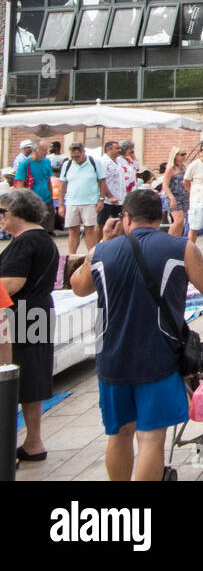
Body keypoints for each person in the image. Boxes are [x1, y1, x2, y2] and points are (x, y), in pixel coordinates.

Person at [68, 189, 203, 480]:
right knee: (152, 438)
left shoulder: (103, 251)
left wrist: (103, 241)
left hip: (112, 358)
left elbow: (77, 286)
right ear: (162, 216)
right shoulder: (181, 248)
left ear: (126, 217)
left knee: (118, 434)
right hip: (159, 357)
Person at [1, 189, 60, 464]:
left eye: (4, 212)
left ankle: (10, 446)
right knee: (32, 378)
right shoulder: (43, 239)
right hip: (37, 311)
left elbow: (10, 285)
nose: (1, 217)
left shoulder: (26, 242)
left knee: (11, 379)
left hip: (20, 316)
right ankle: (33, 441)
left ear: (19, 213)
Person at [58, 142, 112, 254]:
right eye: (73, 157)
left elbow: (102, 181)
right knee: (73, 230)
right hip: (72, 202)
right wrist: (61, 205)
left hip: (90, 202)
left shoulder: (95, 163)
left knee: (90, 229)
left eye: (77, 156)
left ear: (83, 152)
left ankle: (91, 255)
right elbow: (62, 186)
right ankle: (71, 255)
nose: (75, 159)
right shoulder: (67, 165)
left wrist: (101, 200)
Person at [16, 140, 55, 231]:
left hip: (47, 200)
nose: (46, 152)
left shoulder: (46, 162)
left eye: (47, 150)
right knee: (33, 229)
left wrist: (51, 197)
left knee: (46, 229)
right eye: (44, 150)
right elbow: (20, 185)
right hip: (32, 202)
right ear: (36, 150)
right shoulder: (25, 164)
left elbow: (48, 181)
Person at [97, 139, 126, 231]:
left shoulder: (119, 161)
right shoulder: (103, 162)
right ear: (109, 149)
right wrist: (109, 196)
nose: (119, 150)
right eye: (117, 148)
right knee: (102, 223)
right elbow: (101, 181)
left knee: (119, 222)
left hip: (119, 199)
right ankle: (98, 244)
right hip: (107, 200)